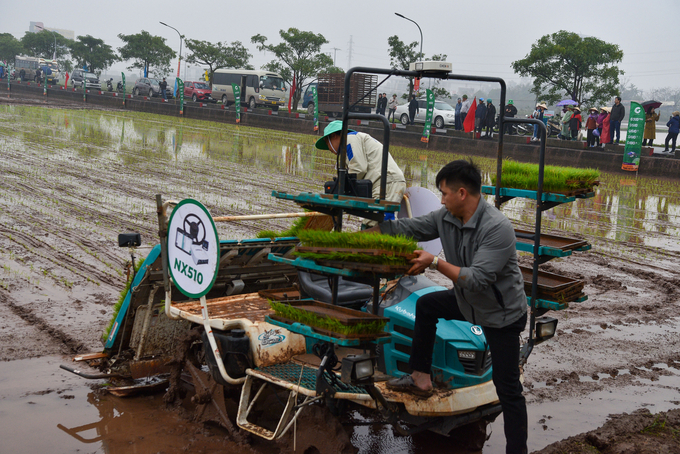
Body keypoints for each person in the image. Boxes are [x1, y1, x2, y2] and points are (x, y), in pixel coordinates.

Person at [370, 160, 528, 454]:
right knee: (428, 306)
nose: (440, 199)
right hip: (469, 302)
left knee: (507, 389)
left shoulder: (497, 227)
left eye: (444, 193)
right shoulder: (447, 217)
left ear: (462, 193)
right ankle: (420, 376)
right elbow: (412, 226)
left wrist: (434, 262)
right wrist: (375, 232)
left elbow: (477, 279)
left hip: (500, 314)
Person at [315, 120, 405, 227]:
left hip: (387, 182)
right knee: (373, 221)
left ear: (334, 136)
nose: (329, 149)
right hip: (384, 182)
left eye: (327, 143)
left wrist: (341, 187)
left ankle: (390, 242)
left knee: (380, 222)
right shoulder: (354, 141)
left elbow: (358, 169)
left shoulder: (349, 139)